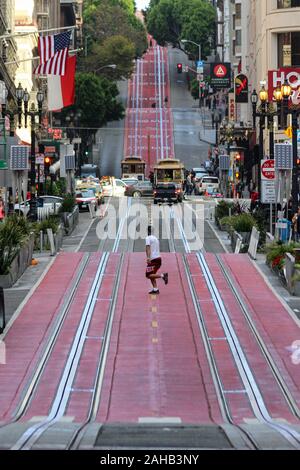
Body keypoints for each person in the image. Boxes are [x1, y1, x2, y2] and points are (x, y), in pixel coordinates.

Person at [145, 226, 168, 295]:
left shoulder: (148, 238)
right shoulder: (156, 238)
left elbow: (148, 248)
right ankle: (155, 289)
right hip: (158, 259)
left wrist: (148, 258)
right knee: (152, 274)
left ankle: (163, 276)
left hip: (153, 259)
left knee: (148, 275)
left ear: (148, 231)